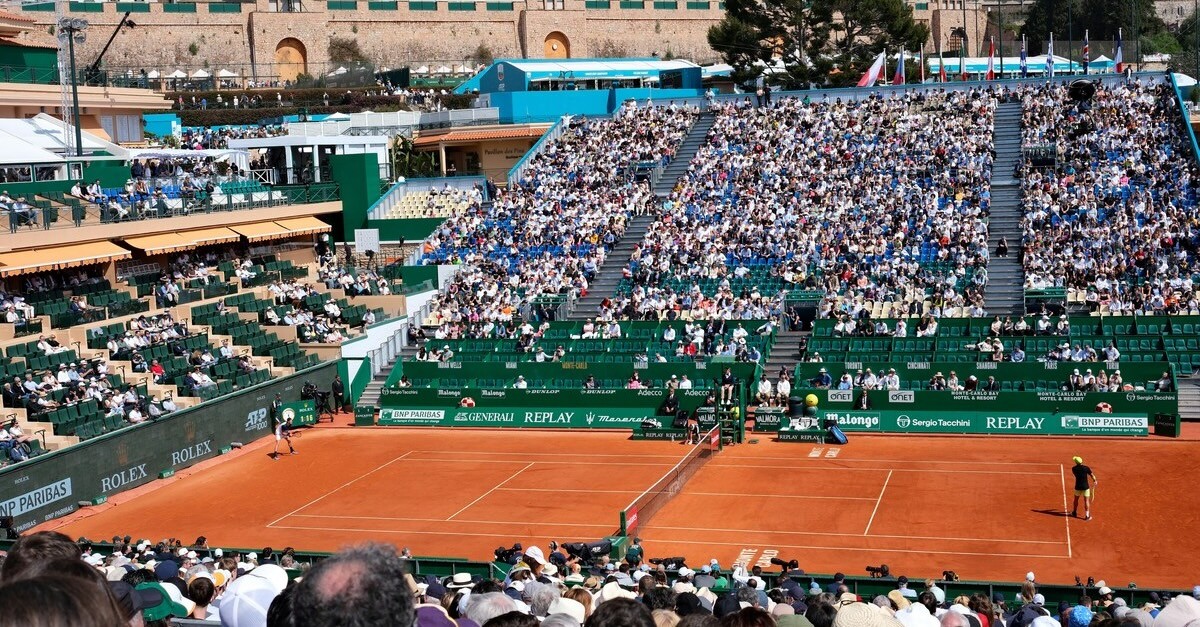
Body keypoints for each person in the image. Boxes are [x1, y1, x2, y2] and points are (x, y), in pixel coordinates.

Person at [1070, 456, 1097, 521]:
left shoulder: (1074, 469)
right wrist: (1095, 480)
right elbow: (1092, 475)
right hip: (1085, 487)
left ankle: (1074, 512)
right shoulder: (1086, 468)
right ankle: (1087, 516)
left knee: (1076, 500)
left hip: (1077, 487)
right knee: (1086, 501)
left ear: (1076, 462)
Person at [273, 393, 297, 460]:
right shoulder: (284, 425)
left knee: (289, 440)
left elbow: (287, 431)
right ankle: (275, 455)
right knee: (277, 443)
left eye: (280, 396)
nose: (292, 422)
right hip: (278, 432)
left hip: (283, 431)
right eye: (278, 396)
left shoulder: (289, 424)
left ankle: (292, 451)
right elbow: (283, 433)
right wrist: (289, 434)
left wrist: (289, 434)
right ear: (288, 421)